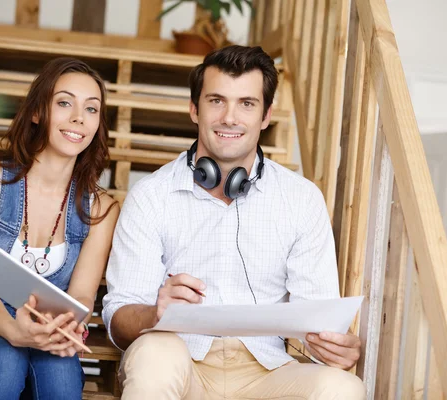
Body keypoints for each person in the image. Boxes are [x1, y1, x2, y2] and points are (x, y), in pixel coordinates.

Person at [102, 46, 365, 399]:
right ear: (194, 109)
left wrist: (334, 347)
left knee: (342, 387)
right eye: (216, 101)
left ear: (266, 115)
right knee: (154, 355)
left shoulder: (302, 199)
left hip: (266, 372)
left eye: (246, 103)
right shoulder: (150, 196)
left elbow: (316, 320)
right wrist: (154, 314)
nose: (230, 117)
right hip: (178, 361)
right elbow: (119, 322)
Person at [0, 57, 120, 400]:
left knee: (58, 368)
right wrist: (15, 331)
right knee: (6, 357)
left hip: (45, 348)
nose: (78, 118)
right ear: (36, 112)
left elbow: (83, 296)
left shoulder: (101, 208)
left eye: (91, 109)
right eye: (64, 103)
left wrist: (66, 326)